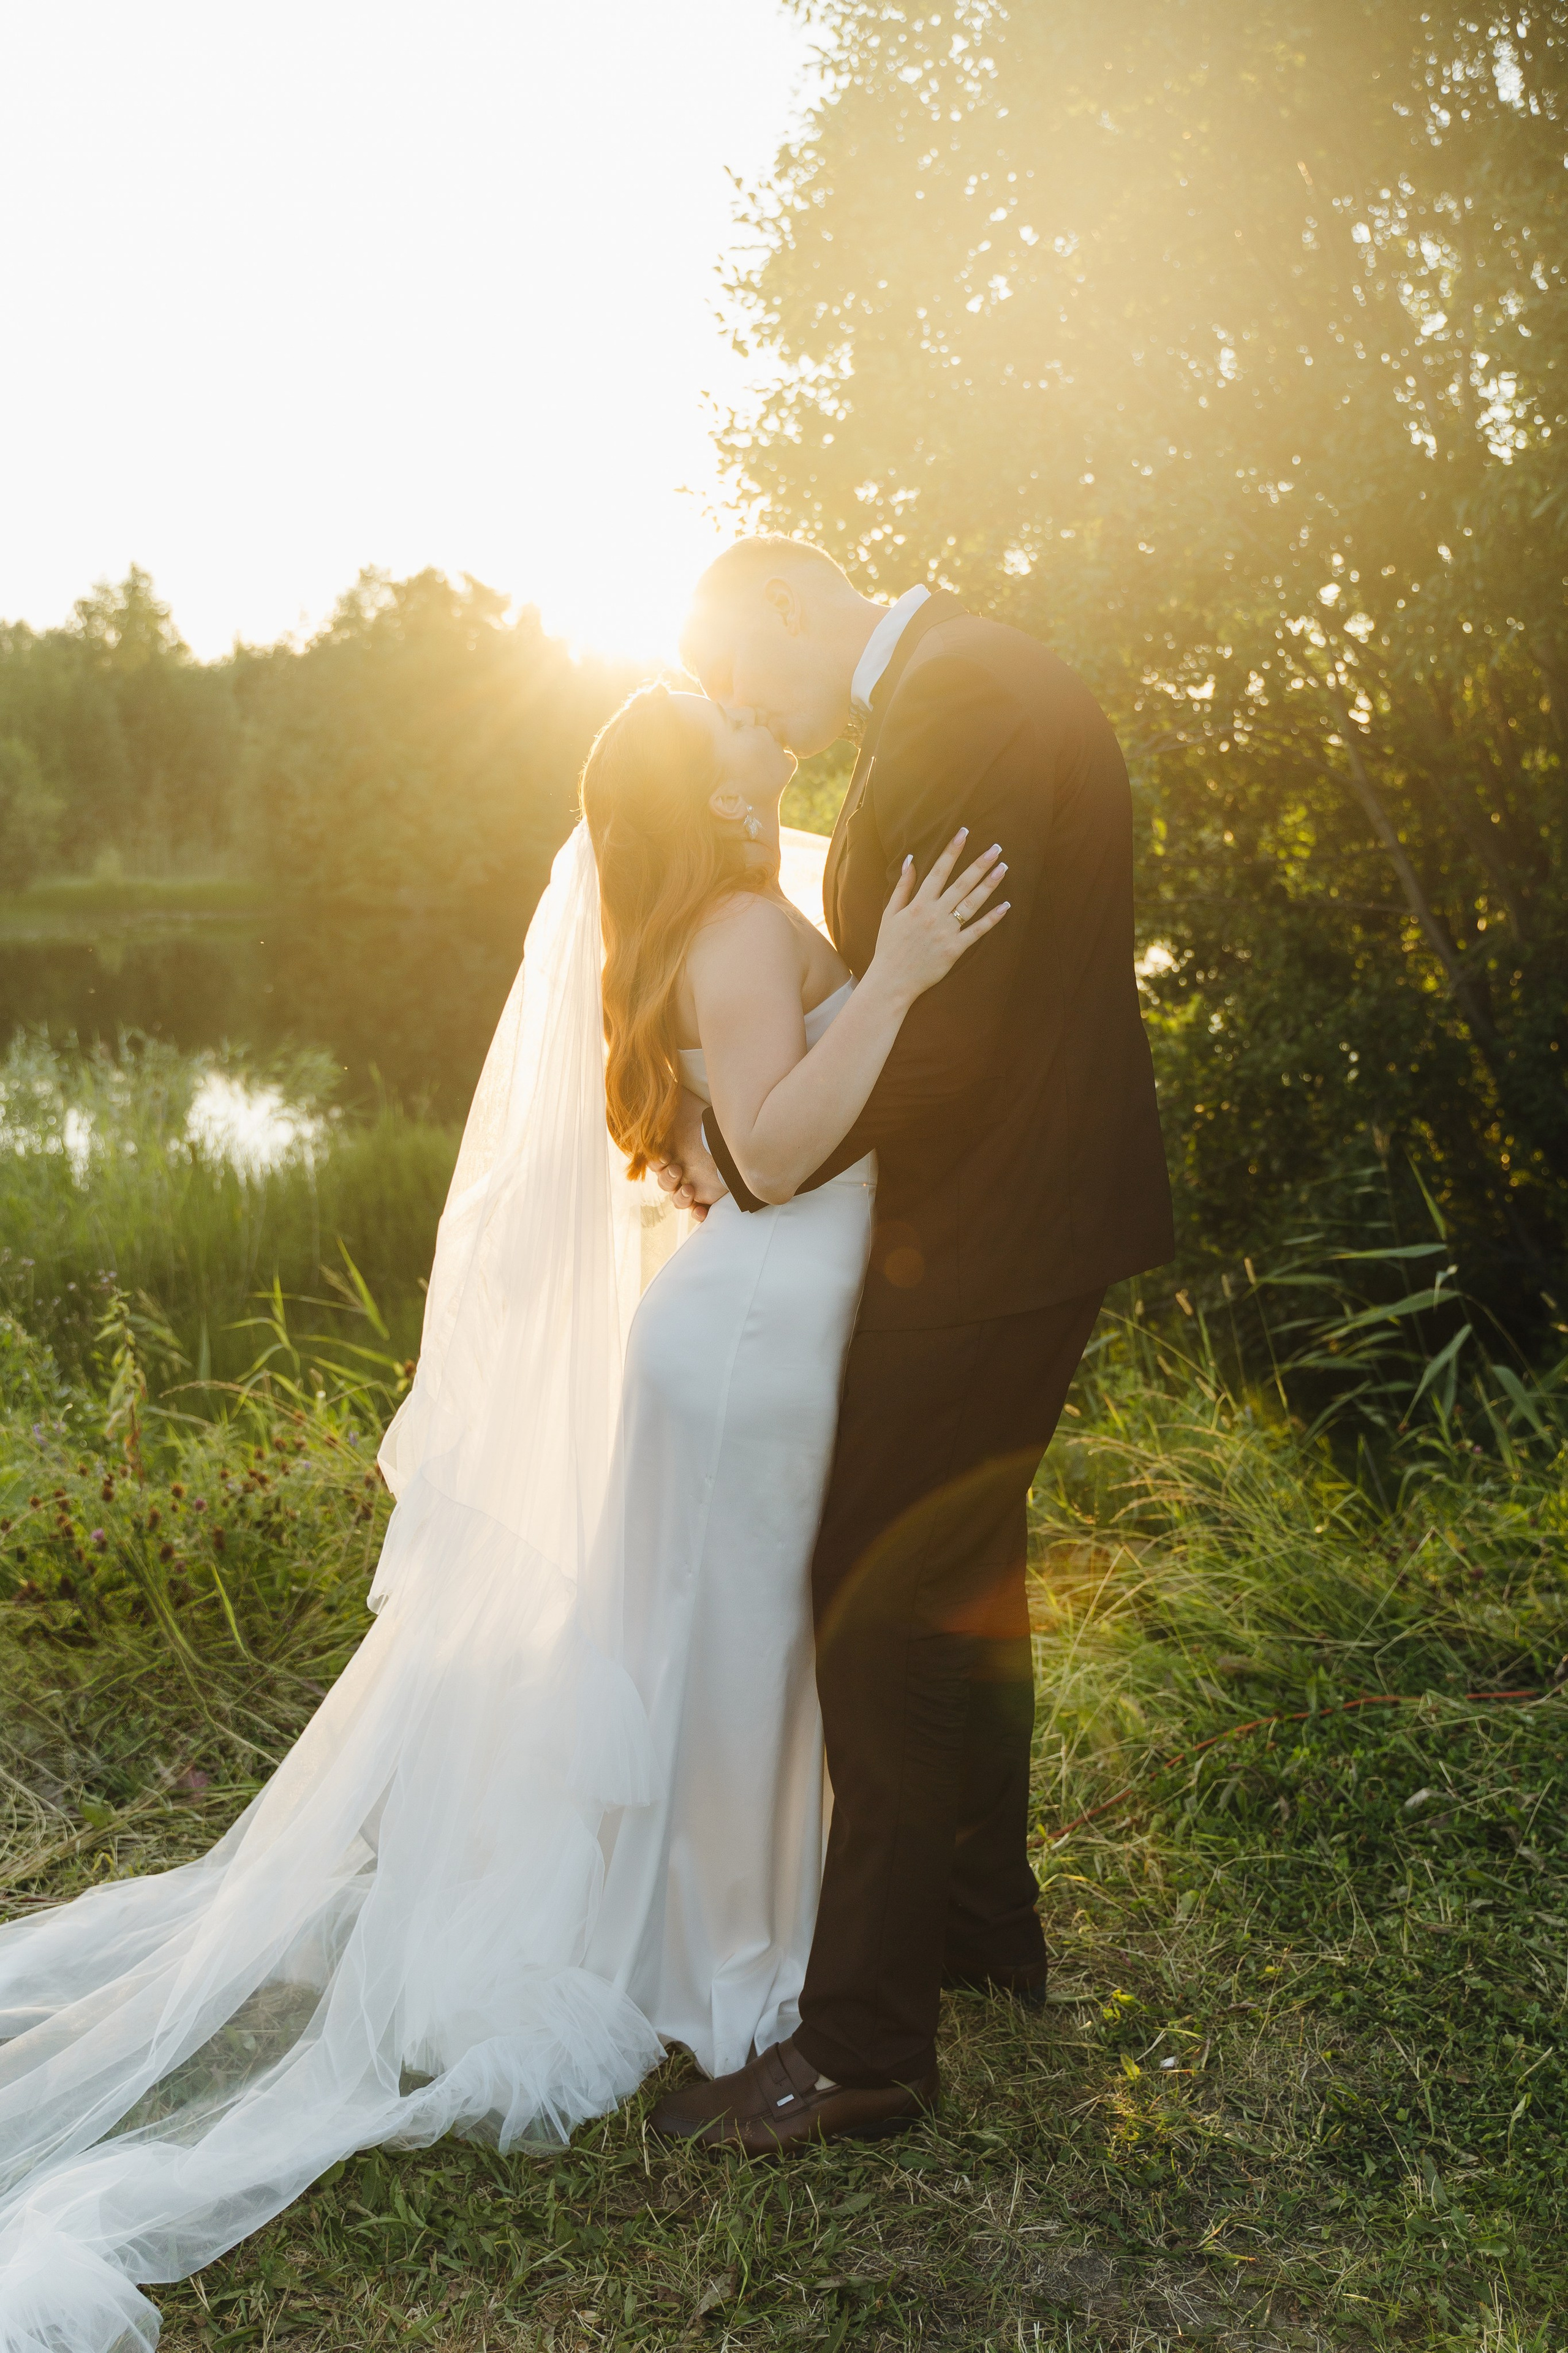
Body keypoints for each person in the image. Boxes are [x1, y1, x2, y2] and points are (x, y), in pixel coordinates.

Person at [0, 679, 1003, 2349]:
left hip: (736, 1331)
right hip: (755, 1327)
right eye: (737, 723)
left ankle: (714, 1945)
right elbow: (765, 1150)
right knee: (744, 1653)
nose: (765, 731)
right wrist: (894, 978)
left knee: (719, 1648)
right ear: (708, 778)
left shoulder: (698, 919)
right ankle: (732, 1971)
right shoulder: (744, 930)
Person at [648, 538, 1172, 2153]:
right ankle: (976, 1931)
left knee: (874, 1600)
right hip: (1019, 1217)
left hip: (992, 1230)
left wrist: (769, 1158)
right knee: (963, 1576)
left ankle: (866, 2042)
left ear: (797, 606)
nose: (759, 720)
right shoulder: (968, 684)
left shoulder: (967, 707)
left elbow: (955, 1023)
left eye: (749, 677)